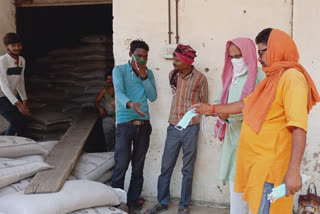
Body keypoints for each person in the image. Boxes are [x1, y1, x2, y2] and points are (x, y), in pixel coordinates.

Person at [190, 28, 320, 214]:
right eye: (258, 52)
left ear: (278, 48)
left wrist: (293, 170)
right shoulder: (273, 78)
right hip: (258, 166)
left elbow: (299, 126)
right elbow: (245, 104)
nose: (259, 58)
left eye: (262, 51)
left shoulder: (292, 78)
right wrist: (210, 109)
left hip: (271, 169)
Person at [146, 44, 208, 214]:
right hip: (173, 126)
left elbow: (204, 102)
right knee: (166, 166)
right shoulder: (172, 75)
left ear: (187, 62)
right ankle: (162, 202)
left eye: (176, 59)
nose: (173, 62)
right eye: (173, 58)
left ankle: (184, 205)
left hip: (191, 128)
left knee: (187, 168)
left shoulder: (200, 79)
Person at [213, 38, 265, 214]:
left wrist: (229, 112)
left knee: (255, 197)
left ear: (249, 54)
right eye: (232, 56)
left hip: (253, 143)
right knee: (236, 195)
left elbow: (257, 107)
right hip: (233, 142)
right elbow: (218, 102)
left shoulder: (260, 76)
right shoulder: (230, 77)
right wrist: (214, 111)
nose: (235, 60)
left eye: (239, 55)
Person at [111, 40, 157, 214]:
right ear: (131, 54)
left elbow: (152, 97)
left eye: (145, 56)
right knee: (121, 165)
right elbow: (119, 91)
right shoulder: (120, 70)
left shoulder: (149, 73)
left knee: (138, 166)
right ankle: (116, 203)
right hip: (125, 124)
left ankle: (132, 203)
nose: (143, 59)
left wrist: (144, 76)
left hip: (144, 125)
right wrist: (131, 104)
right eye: (139, 56)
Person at [0, 32, 30, 136]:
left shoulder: (22, 60)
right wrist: (17, 104)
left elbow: (20, 81)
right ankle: (5, 147)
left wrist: (24, 100)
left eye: (19, 45)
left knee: (19, 123)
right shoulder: (2, 60)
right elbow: (3, 84)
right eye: (13, 46)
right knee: (16, 122)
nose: (17, 48)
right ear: (7, 46)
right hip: (1, 97)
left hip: (10, 97)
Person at [95, 73, 116, 151]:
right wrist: (100, 108)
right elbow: (96, 102)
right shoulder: (104, 90)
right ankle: (110, 154)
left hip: (120, 117)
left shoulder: (119, 89)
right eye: (108, 79)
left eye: (111, 79)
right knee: (108, 137)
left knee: (119, 137)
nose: (110, 81)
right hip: (108, 117)